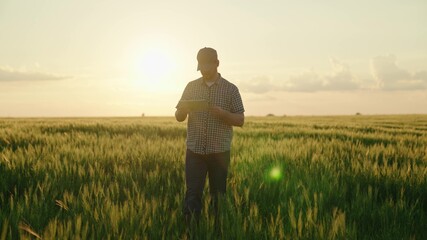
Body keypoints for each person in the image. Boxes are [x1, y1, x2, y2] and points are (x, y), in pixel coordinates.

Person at [175, 47, 245, 224]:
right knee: (192, 195)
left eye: (208, 66)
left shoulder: (230, 89)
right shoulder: (191, 87)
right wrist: (183, 110)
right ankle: (191, 232)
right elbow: (179, 117)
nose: (204, 70)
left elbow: (240, 119)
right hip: (195, 151)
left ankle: (217, 231)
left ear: (217, 64)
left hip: (219, 153)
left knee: (218, 197)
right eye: (201, 66)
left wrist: (223, 114)